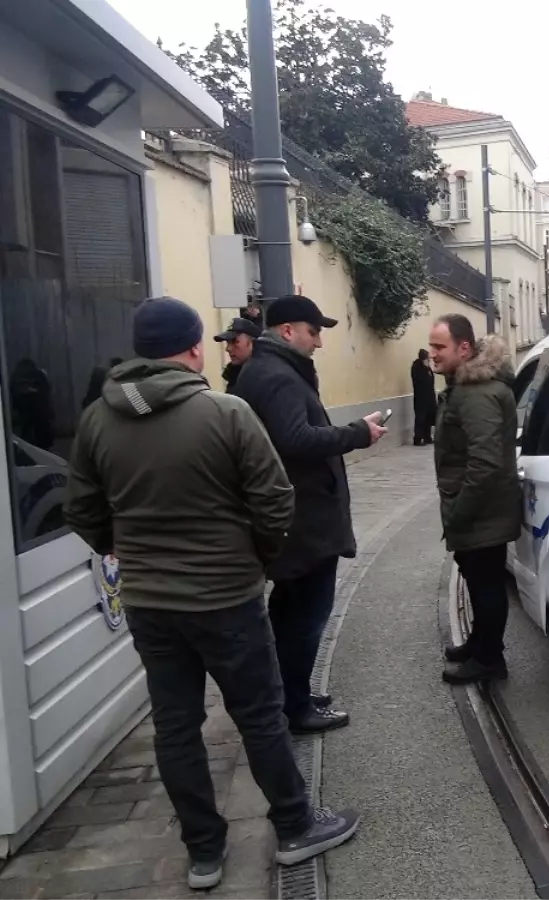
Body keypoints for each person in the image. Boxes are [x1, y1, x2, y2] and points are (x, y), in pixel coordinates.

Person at [63, 296, 359, 890]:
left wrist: (127, 552)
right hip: (225, 596)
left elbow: (82, 510)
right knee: (259, 714)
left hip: (150, 602)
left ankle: (204, 852)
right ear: (195, 347)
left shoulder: (98, 418)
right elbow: (276, 501)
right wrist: (257, 557)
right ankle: (295, 827)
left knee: (175, 725)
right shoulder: (224, 413)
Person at [233, 295, 387, 734]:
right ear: (287, 331)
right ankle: (295, 707)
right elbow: (294, 439)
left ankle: (291, 692)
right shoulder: (277, 376)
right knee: (305, 616)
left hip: (295, 519)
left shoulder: (270, 371)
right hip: (300, 523)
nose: (319, 342)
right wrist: (358, 433)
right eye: (313, 331)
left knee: (289, 612)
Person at [429, 313, 521, 684]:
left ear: (463, 348)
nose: (432, 354)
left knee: (485, 584)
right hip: (481, 508)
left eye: (439, 347)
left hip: (482, 510)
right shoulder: (466, 386)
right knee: (477, 577)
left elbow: (483, 463)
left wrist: (459, 512)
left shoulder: (476, 393)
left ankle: (488, 659)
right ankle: (480, 644)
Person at [214, 316, 262, 392]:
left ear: (252, 343)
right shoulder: (234, 375)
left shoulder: (264, 377)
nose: (228, 349)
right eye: (228, 342)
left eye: (235, 342)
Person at [410, 348, 437, 445]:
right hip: (421, 398)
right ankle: (417, 439)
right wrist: (425, 368)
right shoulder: (417, 367)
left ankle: (427, 437)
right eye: (427, 358)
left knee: (429, 418)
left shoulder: (427, 367)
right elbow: (420, 381)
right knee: (420, 418)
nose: (429, 360)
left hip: (429, 398)